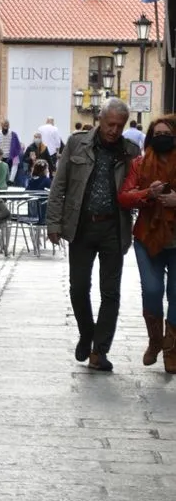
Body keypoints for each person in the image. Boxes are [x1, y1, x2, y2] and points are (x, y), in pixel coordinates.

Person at [47, 98, 140, 372]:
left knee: (110, 292)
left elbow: (137, 190)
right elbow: (59, 184)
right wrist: (54, 223)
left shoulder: (130, 151)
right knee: (78, 288)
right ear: (100, 119)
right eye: (110, 124)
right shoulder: (77, 143)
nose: (114, 130)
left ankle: (99, 351)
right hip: (81, 225)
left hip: (114, 227)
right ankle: (87, 332)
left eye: (119, 126)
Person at [118, 115, 176, 374]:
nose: (162, 138)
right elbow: (124, 196)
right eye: (158, 134)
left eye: (168, 134)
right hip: (147, 237)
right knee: (152, 291)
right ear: (151, 139)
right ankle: (155, 340)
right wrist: (147, 194)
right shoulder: (139, 164)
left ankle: (171, 350)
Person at [0, 119, 23, 186]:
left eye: (7, 124)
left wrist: (13, 154)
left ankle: (11, 180)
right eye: (4, 124)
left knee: (16, 162)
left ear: (9, 126)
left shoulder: (13, 134)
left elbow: (17, 146)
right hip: (0, 155)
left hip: (11, 154)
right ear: (1, 125)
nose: (5, 126)